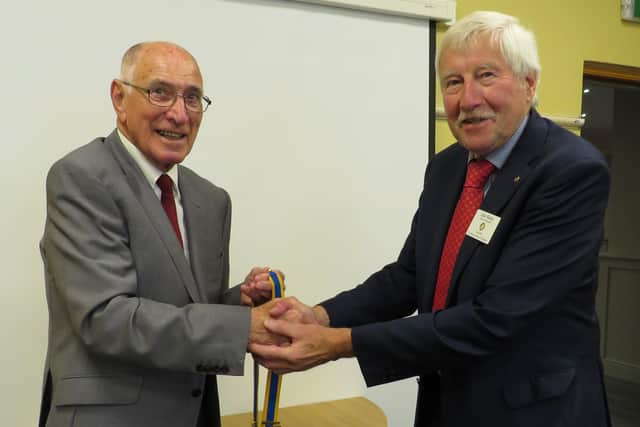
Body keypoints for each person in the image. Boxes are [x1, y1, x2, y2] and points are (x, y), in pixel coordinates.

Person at [250, 11, 612, 427]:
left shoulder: (570, 170)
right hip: (445, 404)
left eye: (486, 76)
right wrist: (321, 317)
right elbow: (408, 277)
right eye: (453, 82)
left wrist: (337, 343)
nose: (468, 99)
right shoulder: (448, 168)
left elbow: (497, 319)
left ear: (529, 84)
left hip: (533, 412)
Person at [39, 41, 281, 427]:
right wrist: (241, 329)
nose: (179, 114)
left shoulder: (212, 200)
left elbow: (192, 306)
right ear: (119, 98)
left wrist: (242, 303)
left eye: (192, 98)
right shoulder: (82, 177)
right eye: (160, 92)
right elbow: (106, 317)